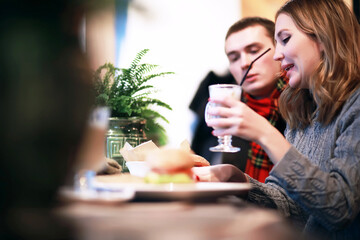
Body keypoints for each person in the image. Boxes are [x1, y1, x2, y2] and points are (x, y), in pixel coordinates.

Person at [193, 0, 360, 239]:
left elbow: (338, 209)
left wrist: (266, 134)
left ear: (324, 37)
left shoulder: (354, 105)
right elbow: (293, 207)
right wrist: (238, 179)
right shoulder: (301, 107)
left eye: (285, 39)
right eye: (233, 56)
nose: (278, 55)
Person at [190, 17, 288, 183]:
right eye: (234, 58)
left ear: (279, 50)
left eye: (254, 51)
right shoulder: (230, 112)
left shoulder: (304, 104)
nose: (244, 63)